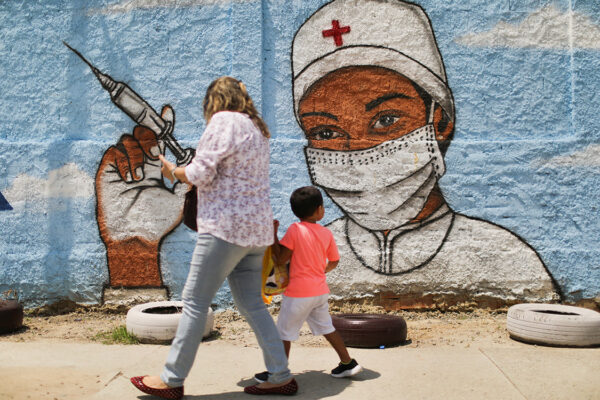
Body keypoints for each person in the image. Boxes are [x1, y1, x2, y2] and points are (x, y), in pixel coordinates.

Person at [291, 0, 562, 305]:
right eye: (326, 133)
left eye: (386, 120)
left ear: (440, 122)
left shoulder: (505, 258)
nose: (358, 151)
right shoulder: (318, 254)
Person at [130, 77, 298, 399]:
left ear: (215, 100)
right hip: (256, 232)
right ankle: (280, 375)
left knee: (194, 302)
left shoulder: (223, 121)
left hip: (224, 229)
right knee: (252, 305)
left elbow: (201, 173)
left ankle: (171, 380)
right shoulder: (257, 129)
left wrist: (174, 172)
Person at [254, 186, 362, 383]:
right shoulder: (326, 233)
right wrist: (321, 271)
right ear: (320, 209)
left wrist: (273, 235)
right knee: (327, 327)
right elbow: (334, 261)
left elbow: (280, 259)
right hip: (319, 291)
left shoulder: (295, 229)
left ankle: (278, 372)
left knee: (283, 333)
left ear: (295, 211)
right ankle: (348, 363)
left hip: (298, 294)